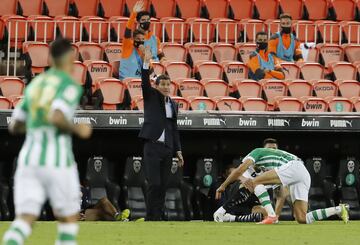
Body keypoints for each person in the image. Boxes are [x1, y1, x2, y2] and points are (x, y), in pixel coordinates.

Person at [2, 38, 92, 245]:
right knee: (68, 221)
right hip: (57, 161)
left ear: (50, 58)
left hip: (29, 159)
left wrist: (37, 123)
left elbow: (15, 126)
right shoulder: (68, 84)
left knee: (24, 221)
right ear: (70, 59)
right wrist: (79, 128)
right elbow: (57, 116)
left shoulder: (35, 86)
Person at [216, 148, 349, 225]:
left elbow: (239, 170)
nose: (253, 171)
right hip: (302, 173)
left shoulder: (254, 153)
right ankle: (339, 209)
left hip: (294, 166)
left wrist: (223, 186)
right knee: (302, 218)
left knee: (256, 181)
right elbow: (280, 195)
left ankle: (271, 216)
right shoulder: (271, 170)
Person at [139, 46, 184, 221]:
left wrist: (178, 150)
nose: (166, 87)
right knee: (154, 184)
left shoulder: (173, 104)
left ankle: (158, 216)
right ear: (156, 86)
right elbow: (144, 81)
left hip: (167, 149)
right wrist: (146, 62)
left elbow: (174, 128)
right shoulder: (150, 96)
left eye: (168, 85)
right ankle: (151, 217)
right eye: (162, 84)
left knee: (164, 185)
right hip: (152, 147)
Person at [213, 138, 289, 222]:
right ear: (263, 149)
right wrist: (241, 178)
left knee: (265, 215)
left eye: (274, 149)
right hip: (239, 190)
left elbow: (280, 196)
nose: (271, 151)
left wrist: (276, 216)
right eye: (269, 149)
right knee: (253, 183)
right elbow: (234, 170)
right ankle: (221, 210)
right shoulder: (256, 155)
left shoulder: (278, 167)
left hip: (255, 197)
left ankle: (230, 218)